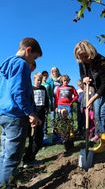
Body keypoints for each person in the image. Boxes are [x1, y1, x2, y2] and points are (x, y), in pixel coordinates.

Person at [0, 37, 43, 188]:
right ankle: (7, 186)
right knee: (12, 158)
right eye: (34, 58)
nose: (33, 62)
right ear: (28, 50)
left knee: (5, 154)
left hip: (4, 114)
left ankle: (3, 182)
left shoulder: (7, 63)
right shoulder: (22, 64)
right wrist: (30, 112)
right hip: (16, 116)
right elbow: (18, 92)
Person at [74, 40, 105, 143]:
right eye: (81, 58)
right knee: (97, 113)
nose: (84, 60)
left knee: (103, 113)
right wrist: (84, 78)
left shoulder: (102, 61)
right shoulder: (82, 62)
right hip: (97, 88)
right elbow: (82, 74)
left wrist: (92, 99)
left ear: (90, 51)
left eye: (85, 56)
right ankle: (99, 134)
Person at [23, 72, 49, 166]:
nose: (39, 82)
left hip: (41, 113)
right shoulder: (31, 89)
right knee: (33, 136)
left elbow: (46, 99)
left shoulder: (43, 88)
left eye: (40, 80)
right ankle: (28, 158)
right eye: (37, 80)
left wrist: (47, 108)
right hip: (33, 114)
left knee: (39, 136)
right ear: (34, 80)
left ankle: (30, 157)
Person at [41, 70, 53, 139]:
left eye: (46, 76)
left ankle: (45, 133)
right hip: (39, 103)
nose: (45, 77)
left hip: (46, 103)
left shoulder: (48, 85)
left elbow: (51, 95)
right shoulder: (40, 84)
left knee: (45, 118)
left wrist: (51, 104)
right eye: (44, 76)